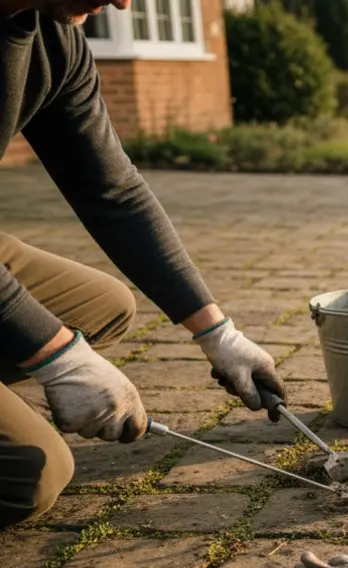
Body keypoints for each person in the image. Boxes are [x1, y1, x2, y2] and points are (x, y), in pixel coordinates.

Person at [1, 0, 286, 526]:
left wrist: (217, 333)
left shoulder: (53, 40)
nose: (125, 4)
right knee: (29, 473)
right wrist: (58, 358)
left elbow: (113, 193)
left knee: (104, 305)